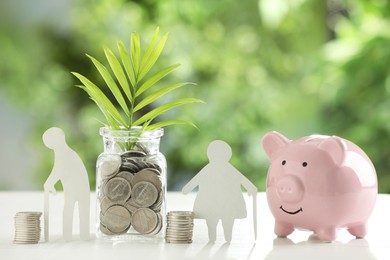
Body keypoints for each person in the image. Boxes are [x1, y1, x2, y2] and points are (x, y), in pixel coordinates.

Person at [182, 140, 257, 242]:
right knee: (214, 222)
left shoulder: (227, 170)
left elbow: (243, 180)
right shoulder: (210, 170)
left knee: (225, 222)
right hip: (214, 204)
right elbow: (191, 184)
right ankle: (217, 238)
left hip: (226, 204)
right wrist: (251, 188)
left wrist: (251, 188)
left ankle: (226, 238)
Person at [43, 127, 90, 241]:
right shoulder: (62, 152)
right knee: (72, 210)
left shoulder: (65, 153)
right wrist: (49, 183)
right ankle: (73, 236)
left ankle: (77, 236)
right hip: (73, 189)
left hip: (77, 189)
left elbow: (59, 170)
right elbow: (58, 170)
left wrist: (49, 183)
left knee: (74, 211)